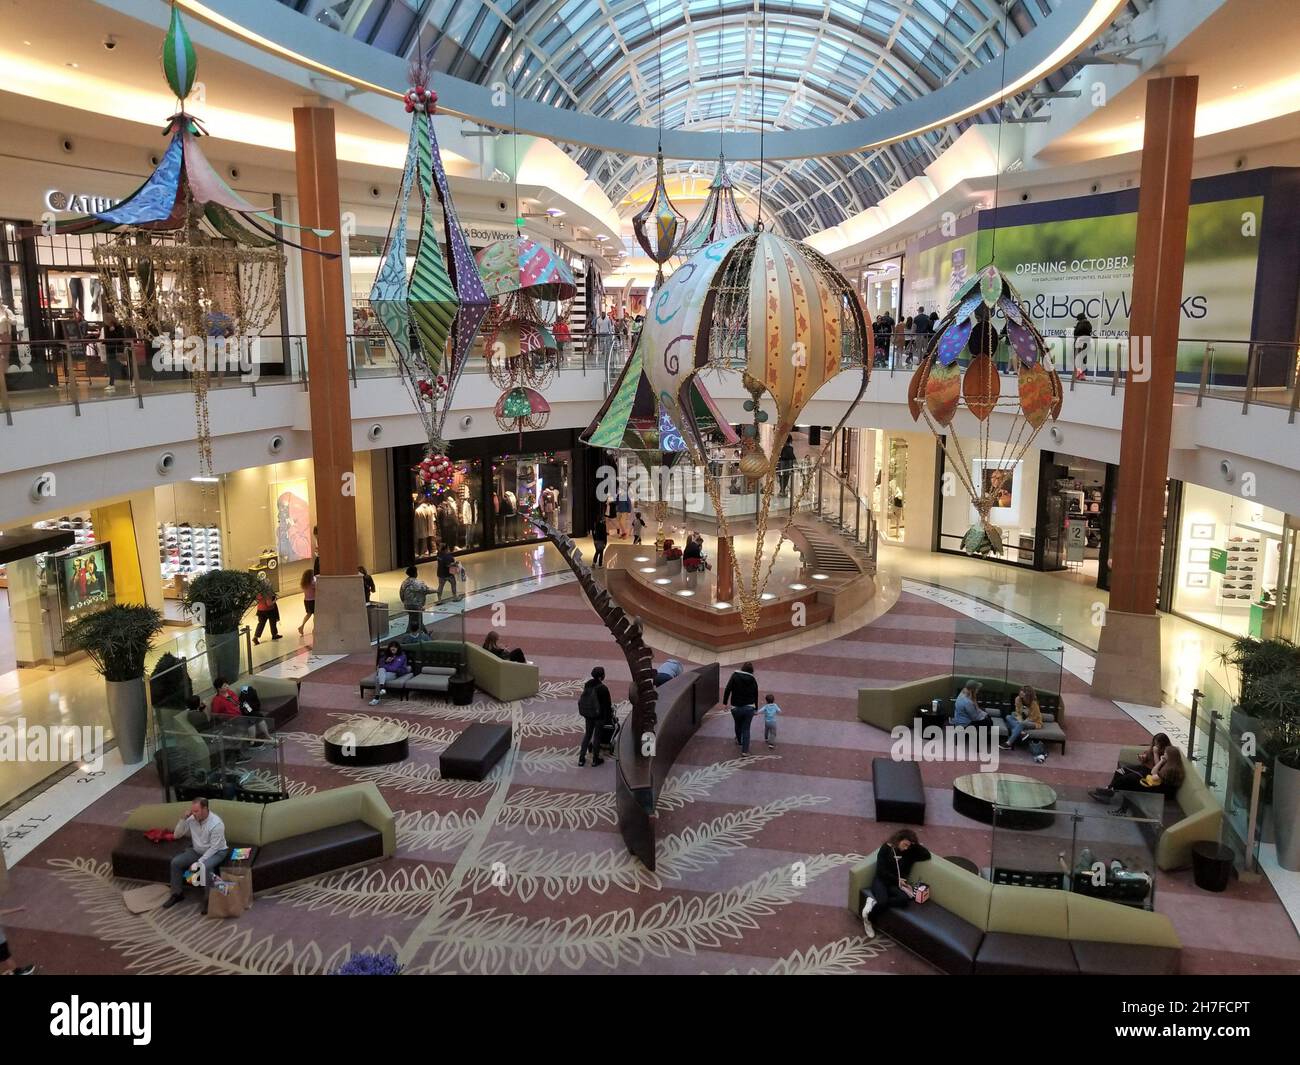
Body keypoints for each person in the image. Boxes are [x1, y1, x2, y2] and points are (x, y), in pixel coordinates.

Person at [860, 828, 932, 939]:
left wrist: (914, 844)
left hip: (895, 885)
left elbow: (927, 855)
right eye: (905, 844)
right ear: (898, 840)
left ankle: (872, 902)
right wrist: (897, 880)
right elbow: (881, 871)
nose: (906, 847)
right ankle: (868, 919)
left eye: (909, 845)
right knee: (883, 902)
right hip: (882, 881)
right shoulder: (886, 849)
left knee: (904, 900)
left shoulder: (910, 851)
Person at [163, 798, 229, 913]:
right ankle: (177, 894)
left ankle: (209, 900)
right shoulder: (192, 819)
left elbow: (214, 848)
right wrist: (183, 819)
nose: (193, 813)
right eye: (192, 811)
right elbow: (177, 835)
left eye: (196, 811)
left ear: (205, 809)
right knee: (176, 862)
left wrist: (199, 863)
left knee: (206, 867)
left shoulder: (217, 824)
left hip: (217, 852)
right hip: (197, 851)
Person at [1092, 741, 1185, 800]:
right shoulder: (1171, 766)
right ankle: (1109, 790)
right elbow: (1154, 773)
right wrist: (1161, 761)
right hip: (1155, 785)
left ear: (1170, 756)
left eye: (1165, 753)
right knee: (1121, 772)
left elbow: (1153, 775)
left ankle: (1109, 791)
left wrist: (1160, 761)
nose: (1164, 754)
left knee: (1130, 778)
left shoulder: (1171, 770)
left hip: (1159, 792)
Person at [577, 666, 613, 767]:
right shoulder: (603, 688)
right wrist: (608, 718)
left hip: (588, 714)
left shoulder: (587, 684)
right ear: (602, 676)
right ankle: (595, 759)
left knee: (587, 735)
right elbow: (608, 705)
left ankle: (581, 758)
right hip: (599, 716)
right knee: (597, 737)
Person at [724, 661, 759, 755]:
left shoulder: (735, 676)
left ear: (742, 668)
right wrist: (756, 708)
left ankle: (739, 741)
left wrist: (725, 703)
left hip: (736, 707)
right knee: (746, 729)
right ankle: (745, 751)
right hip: (749, 708)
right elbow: (756, 694)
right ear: (752, 671)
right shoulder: (753, 680)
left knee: (737, 724)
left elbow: (728, 689)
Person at [1000, 684, 1043, 750]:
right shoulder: (1018, 699)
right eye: (1021, 690)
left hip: (1035, 722)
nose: (1020, 692)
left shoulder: (1034, 703)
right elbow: (1018, 712)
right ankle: (1022, 733)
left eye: (1023, 691)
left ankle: (1009, 743)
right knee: (1008, 717)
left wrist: (1023, 722)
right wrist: (1020, 720)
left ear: (1028, 694)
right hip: (1022, 720)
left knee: (1022, 724)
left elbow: (1035, 717)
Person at [400, 565, 432, 633]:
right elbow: (426, 590)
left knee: (412, 619)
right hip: (416, 605)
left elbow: (401, 593)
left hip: (407, 605)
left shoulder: (404, 582)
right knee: (419, 621)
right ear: (415, 573)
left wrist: (404, 602)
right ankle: (422, 636)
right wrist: (437, 591)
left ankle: (426, 633)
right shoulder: (418, 582)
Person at [1073, 311, 1094, 381]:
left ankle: (1079, 374)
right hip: (1087, 343)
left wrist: (1075, 328)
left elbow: (1076, 333)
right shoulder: (1089, 324)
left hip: (1079, 343)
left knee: (1078, 359)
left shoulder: (1080, 324)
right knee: (1084, 359)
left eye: (1078, 319)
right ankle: (1083, 375)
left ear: (1080, 319)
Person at [296, 568, 316, 635]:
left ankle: (302, 626)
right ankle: (314, 629)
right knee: (315, 615)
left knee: (308, 614)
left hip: (306, 601)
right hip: (313, 601)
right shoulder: (312, 583)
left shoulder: (304, 584)